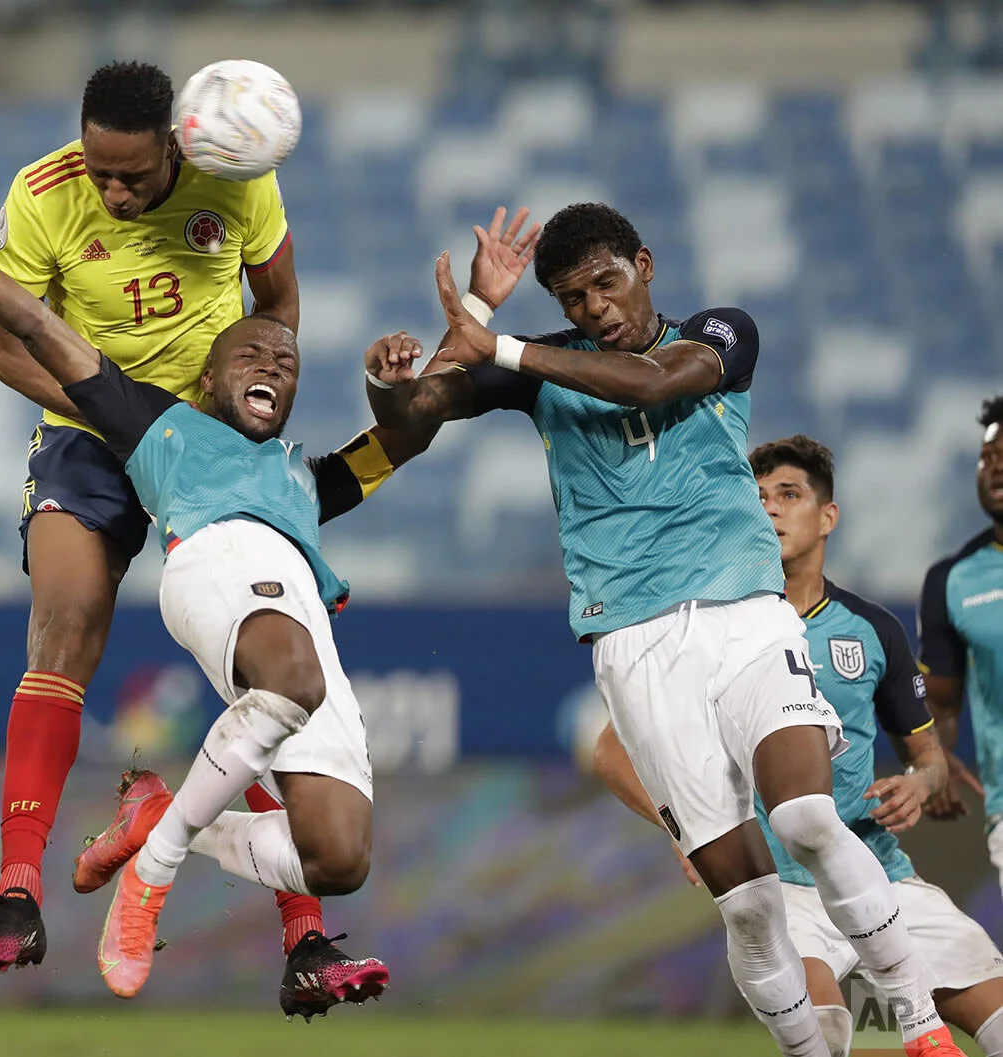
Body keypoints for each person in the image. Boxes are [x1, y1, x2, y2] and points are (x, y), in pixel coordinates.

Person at [0, 153, 434, 1013]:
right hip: (203, 550)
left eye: (288, 361)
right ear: (211, 378)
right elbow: (27, 326)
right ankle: (63, 880)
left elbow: (399, 441)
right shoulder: (166, 427)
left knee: (336, 843)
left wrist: (414, 364)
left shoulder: (300, 474)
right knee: (193, 661)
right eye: (253, 351)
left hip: (285, 602)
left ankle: (240, 885)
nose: (274, 363)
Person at [365, 201, 964, 1057]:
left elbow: (657, 382)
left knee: (806, 819)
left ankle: (921, 1028)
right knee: (751, 905)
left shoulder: (720, 332)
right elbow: (410, 420)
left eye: (606, 282)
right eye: (572, 298)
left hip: (746, 618)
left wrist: (500, 343)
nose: (595, 308)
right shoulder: (541, 369)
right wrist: (396, 371)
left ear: (643, 264)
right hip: (635, 647)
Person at [0, 58, 327, 1003]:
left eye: (132, 175)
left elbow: (279, 306)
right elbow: (7, 343)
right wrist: (116, 414)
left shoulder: (238, 178)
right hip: (89, 437)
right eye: (100, 172)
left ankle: (307, 937)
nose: (114, 193)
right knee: (65, 625)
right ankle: (15, 890)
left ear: (175, 146)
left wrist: (235, 406)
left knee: (252, 670)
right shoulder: (42, 195)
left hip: (206, 449)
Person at [594, 434, 1003, 1057]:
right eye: (757, 498)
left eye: (789, 494)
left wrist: (919, 784)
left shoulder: (873, 629)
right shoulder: (706, 626)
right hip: (782, 886)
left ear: (828, 516)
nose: (772, 510)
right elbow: (611, 751)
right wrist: (686, 832)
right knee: (826, 1033)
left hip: (878, 870)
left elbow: (929, 758)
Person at [918, 395, 1003, 887]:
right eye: (987, 457)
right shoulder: (953, 581)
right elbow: (942, 701)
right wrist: (936, 755)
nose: (994, 469)